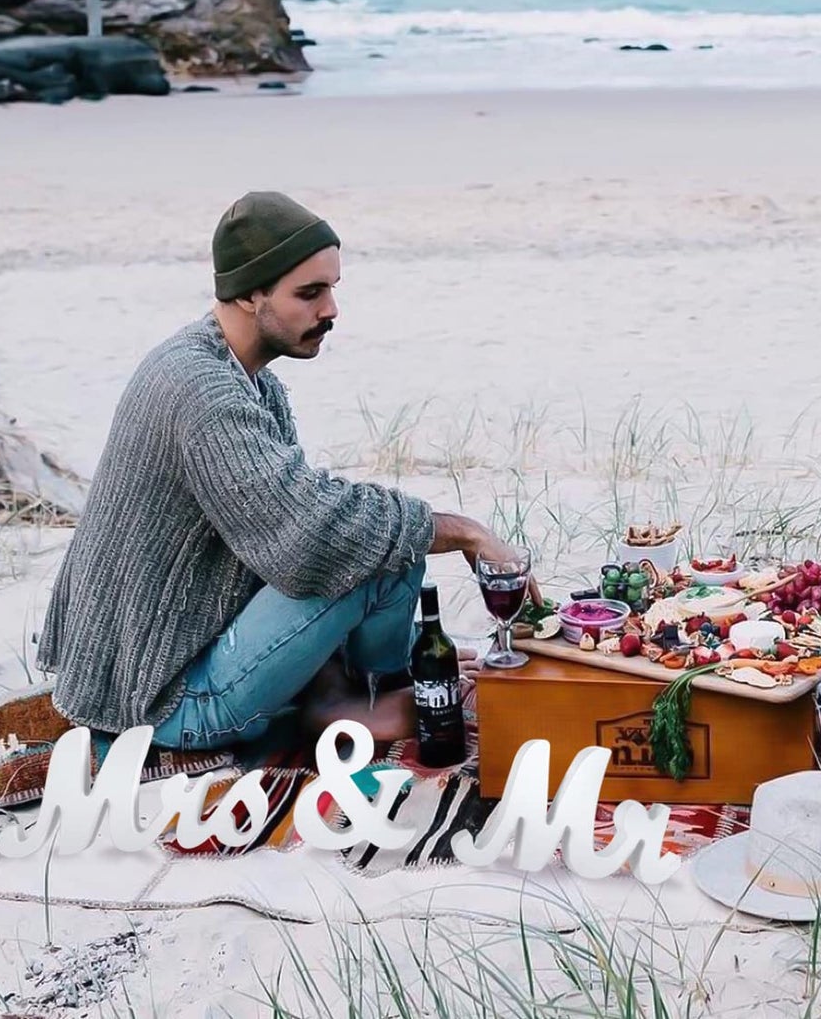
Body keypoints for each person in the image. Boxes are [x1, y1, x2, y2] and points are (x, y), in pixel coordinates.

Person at [37, 191, 527, 752]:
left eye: (332, 290)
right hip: (159, 700)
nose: (331, 310)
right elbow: (308, 538)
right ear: (249, 293)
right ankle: (352, 701)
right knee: (380, 539)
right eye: (309, 293)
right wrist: (465, 530)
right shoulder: (203, 390)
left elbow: (280, 535)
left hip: (186, 645)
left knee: (381, 539)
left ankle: (362, 687)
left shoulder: (249, 380)